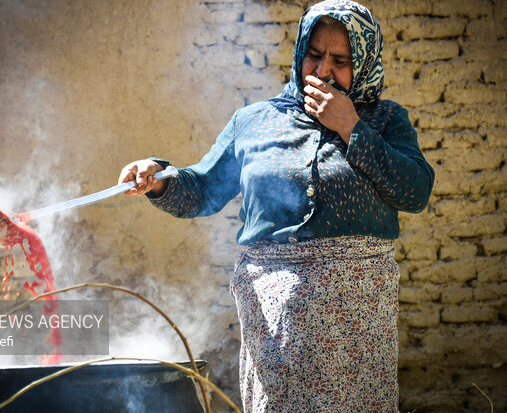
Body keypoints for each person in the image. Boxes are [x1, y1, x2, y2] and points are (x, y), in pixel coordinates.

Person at [118, 0, 434, 411]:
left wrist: (350, 126)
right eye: (314, 55)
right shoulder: (254, 122)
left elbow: (415, 192)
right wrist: (158, 176)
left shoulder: (386, 120)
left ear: (365, 62)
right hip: (275, 323)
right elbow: (202, 189)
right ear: (299, 52)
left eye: (340, 60)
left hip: (357, 324)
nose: (322, 71)